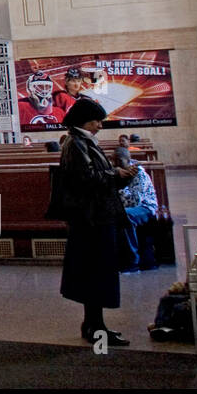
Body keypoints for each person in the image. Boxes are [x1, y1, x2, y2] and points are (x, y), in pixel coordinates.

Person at [57, 97, 138, 346]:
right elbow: (86, 178)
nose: (100, 126)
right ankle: (95, 327)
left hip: (96, 216)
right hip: (92, 220)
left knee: (96, 273)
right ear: (84, 121)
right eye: (96, 121)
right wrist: (116, 173)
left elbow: (96, 178)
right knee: (95, 273)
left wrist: (121, 176)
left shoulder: (83, 142)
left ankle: (94, 324)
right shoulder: (76, 143)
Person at [115, 149, 159, 272]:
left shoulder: (139, 174)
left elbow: (136, 200)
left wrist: (118, 193)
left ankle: (132, 261)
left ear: (128, 160)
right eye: (114, 160)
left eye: (119, 160)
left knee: (125, 216)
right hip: (125, 207)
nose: (116, 163)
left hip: (146, 207)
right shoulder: (118, 173)